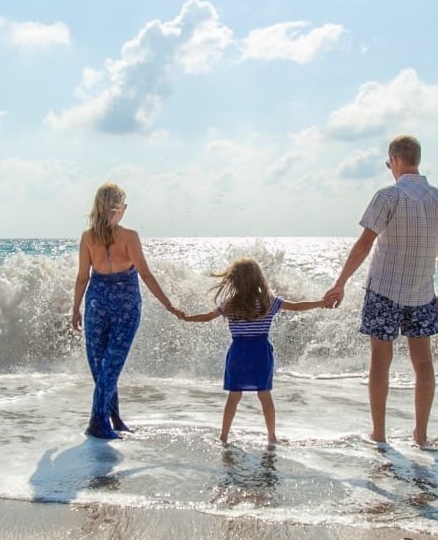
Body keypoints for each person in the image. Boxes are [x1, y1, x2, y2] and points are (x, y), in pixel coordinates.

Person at [322, 134, 438, 446]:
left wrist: (340, 282)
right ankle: (420, 435)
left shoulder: (388, 196)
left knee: (380, 362)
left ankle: (380, 434)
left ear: (395, 160)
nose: (390, 168)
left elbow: (364, 244)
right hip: (423, 294)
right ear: (417, 160)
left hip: (384, 290)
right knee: (423, 363)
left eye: (388, 163)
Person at [70, 183, 181, 440]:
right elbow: (145, 273)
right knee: (108, 366)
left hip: (97, 302)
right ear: (119, 209)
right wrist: (169, 305)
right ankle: (98, 422)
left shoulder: (88, 237)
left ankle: (113, 418)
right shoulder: (129, 236)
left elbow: (82, 278)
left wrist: (76, 308)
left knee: (104, 366)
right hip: (125, 305)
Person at [179, 258, 327, 443]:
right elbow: (296, 306)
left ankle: (224, 436)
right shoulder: (268, 302)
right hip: (260, 354)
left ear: (234, 280)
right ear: (258, 279)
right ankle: (272, 436)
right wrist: (321, 302)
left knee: (234, 396)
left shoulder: (230, 304)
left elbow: (208, 317)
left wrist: (186, 318)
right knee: (264, 395)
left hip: (239, 353)